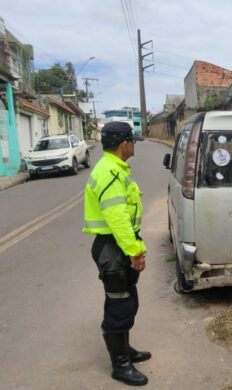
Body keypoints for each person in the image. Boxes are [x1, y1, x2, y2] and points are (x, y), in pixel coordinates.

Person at [83, 121, 150, 386]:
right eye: (132, 141)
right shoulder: (110, 172)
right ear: (124, 144)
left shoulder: (115, 168)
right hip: (114, 247)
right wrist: (135, 251)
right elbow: (117, 218)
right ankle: (120, 365)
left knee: (127, 299)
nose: (134, 145)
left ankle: (126, 351)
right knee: (119, 305)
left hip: (119, 244)